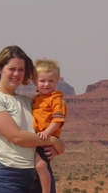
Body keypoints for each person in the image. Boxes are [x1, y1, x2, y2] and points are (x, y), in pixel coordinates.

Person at [0, 45, 64, 193]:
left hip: (40, 175)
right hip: (10, 178)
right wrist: (53, 141)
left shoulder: (27, 101)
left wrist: (58, 148)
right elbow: (17, 137)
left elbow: (44, 131)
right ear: (0, 69)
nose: (16, 74)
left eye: (21, 69)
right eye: (12, 69)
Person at [32, 58, 67, 193]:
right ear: (34, 82)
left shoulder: (56, 100)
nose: (47, 84)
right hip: (37, 138)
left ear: (57, 82)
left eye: (51, 81)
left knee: (41, 166)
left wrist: (47, 133)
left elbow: (58, 121)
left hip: (45, 139)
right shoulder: (36, 99)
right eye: (42, 81)